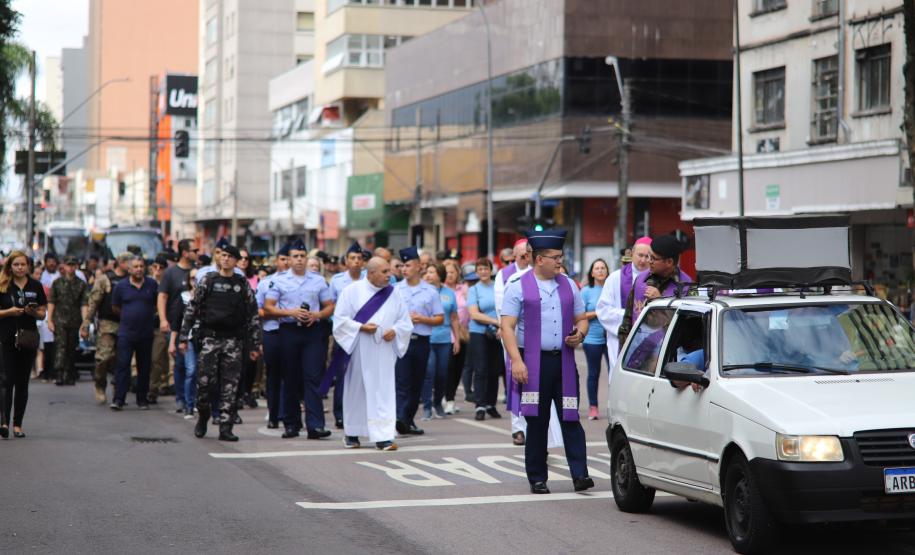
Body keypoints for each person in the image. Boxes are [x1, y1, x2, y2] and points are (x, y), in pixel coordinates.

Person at [501, 229, 593, 495]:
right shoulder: (517, 286)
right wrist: (516, 362)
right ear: (539, 259)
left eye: (560, 257)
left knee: (571, 418)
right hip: (532, 365)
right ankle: (538, 477)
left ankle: (580, 475)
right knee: (537, 421)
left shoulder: (569, 285)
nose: (559, 262)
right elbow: (506, 326)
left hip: (563, 364)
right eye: (555, 257)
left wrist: (581, 334)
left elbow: (582, 318)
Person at [179, 245, 261, 441]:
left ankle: (226, 427)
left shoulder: (241, 284)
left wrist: (255, 345)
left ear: (235, 261)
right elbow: (192, 309)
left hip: (233, 341)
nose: (225, 259)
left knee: (230, 387)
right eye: (223, 255)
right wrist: (183, 337)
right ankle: (204, 415)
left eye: (230, 257)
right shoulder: (208, 280)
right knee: (205, 385)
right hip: (210, 340)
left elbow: (252, 315)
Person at [333, 257, 413, 450]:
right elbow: (339, 320)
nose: (389, 275)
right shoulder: (351, 291)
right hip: (359, 348)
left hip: (384, 350)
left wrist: (395, 330)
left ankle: (383, 436)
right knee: (356, 391)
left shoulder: (394, 293)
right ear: (371, 273)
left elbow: (405, 321)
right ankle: (352, 433)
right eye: (385, 272)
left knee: (383, 391)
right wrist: (360, 327)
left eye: (389, 271)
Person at [264, 239, 335, 439]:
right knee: (290, 377)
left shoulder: (318, 280)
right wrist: (291, 312)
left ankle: (315, 425)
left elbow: (329, 305)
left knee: (313, 378)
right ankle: (291, 423)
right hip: (288, 330)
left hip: (312, 331)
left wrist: (317, 315)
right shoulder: (279, 280)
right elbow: (268, 307)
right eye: (295, 256)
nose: (299, 260)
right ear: (288, 259)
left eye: (302, 256)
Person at [393, 246, 444, 435]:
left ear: (417, 266)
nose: (404, 269)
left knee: (417, 382)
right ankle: (399, 418)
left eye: (407, 265)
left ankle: (408, 419)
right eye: (401, 266)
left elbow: (440, 318)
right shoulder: (395, 290)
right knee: (402, 381)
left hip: (421, 340)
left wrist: (422, 319)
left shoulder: (430, 291)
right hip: (402, 340)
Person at [0, 251, 47, 438]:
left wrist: (33, 313)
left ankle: (18, 425)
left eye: (23, 264)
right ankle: (4, 422)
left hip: (27, 338)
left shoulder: (36, 286)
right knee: (6, 380)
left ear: (28, 266)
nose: (19, 268)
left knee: (22, 383)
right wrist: (9, 312)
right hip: (6, 338)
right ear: (10, 266)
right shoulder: (3, 285)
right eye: (16, 264)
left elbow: (43, 313)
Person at [596, 237, 652, 385]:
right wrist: (631, 316)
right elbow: (603, 310)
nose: (643, 260)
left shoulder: (657, 279)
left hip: (650, 341)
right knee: (620, 383)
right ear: (632, 253)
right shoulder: (615, 278)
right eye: (640, 255)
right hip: (620, 341)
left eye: (648, 256)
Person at [494, 239, 535, 445]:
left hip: (535, 336)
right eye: (520, 255)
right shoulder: (505, 276)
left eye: (527, 254)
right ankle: (518, 427)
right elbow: (501, 307)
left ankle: (535, 425)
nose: (524, 258)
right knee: (516, 379)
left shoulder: (536, 272)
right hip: (514, 334)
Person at [619, 234, 693, 342]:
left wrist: (661, 302)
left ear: (669, 262)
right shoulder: (641, 279)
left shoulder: (686, 286)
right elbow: (627, 320)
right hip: (638, 353)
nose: (649, 261)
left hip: (668, 354)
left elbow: (687, 331)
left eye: (654, 258)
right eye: (649, 256)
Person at [81, 252, 131, 404]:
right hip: (107, 323)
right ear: (121, 262)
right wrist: (86, 323)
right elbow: (94, 302)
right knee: (104, 357)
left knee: (122, 360)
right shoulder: (105, 279)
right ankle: (100, 385)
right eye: (128, 262)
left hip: (127, 324)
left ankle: (119, 392)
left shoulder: (133, 280)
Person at [109, 256, 158, 410]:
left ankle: (142, 399)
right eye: (135, 266)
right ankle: (119, 399)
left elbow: (157, 304)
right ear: (129, 269)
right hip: (126, 333)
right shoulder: (121, 286)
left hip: (146, 333)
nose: (138, 269)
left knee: (144, 367)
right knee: (123, 366)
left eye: (141, 266)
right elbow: (115, 307)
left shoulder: (152, 284)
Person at [328, 241, 366, 428]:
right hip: (344, 334)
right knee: (342, 374)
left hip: (366, 333)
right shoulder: (337, 280)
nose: (356, 262)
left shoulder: (369, 278)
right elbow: (331, 306)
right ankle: (340, 414)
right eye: (353, 258)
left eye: (359, 258)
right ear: (346, 261)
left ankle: (360, 413)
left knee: (363, 374)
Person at [157, 239, 198, 413]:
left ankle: (192, 399)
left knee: (193, 367)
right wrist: (163, 319)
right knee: (180, 364)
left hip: (196, 328)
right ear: (184, 252)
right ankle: (181, 398)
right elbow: (163, 297)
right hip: (177, 325)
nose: (197, 252)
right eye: (194, 250)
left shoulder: (199, 271)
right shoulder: (171, 273)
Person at [256, 243, 290, 429]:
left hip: (291, 331)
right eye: (283, 259)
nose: (286, 263)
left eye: (288, 259)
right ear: (277, 261)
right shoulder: (266, 283)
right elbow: (258, 310)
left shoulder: (297, 282)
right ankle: (274, 414)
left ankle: (287, 413)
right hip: (272, 331)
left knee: (290, 375)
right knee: (273, 375)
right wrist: (278, 313)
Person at [467, 257, 504, 421]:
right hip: (479, 332)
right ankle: (480, 405)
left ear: (491, 270)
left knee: (494, 370)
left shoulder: (498, 287)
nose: (483, 272)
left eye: (486, 269)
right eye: (480, 269)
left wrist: (501, 327)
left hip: (497, 333)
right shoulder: (473, 290)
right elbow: (474, 314)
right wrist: (495, 322)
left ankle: (491, 404)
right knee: (481, 369)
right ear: (476, 272)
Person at [421, 262, 460, 420]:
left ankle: (438, 403)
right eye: (427, 272)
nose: (428, 274)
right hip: (427, 338)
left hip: (444, 339)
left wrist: (456, 339)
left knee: (442, 374)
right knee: (429, 372)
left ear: (440, 275)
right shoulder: (423, 292)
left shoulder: (449, 293)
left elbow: (454, 318)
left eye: (432, 272)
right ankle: (427, 407)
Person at [47, 257, 88, 386]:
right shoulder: (57, 283)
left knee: (71, 347)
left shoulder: (81, 284)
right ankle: (59, 373)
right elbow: (51, 302)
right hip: (59, 320)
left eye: (73, 265)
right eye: (68, 265)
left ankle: (68, 373)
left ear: (76, 266)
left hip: (75, 320)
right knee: (61, 345)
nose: (71, 267)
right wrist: (49, 320)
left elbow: (84, 304)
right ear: (64, 266)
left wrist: (84, 323)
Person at [581, 259, 610, 420]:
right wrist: (599, 313)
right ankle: (593, 407)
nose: (600, 271)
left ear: (607, 271)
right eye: (596, 268)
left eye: (603, 268)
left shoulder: (612, 288)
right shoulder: (586, 291)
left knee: (614, 372)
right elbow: (579, 315)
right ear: (592, 273)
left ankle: (614, 406)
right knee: (594, 373)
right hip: (592, 338)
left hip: (611, 336)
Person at [170, 268, 198, 418]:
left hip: (205, 338)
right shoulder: (184, 297)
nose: (195, 281)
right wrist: (174, 342)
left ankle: (200, 403)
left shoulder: (208, 296)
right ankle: (188, 404)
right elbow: (177, 321)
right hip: (189, 338)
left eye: (198, 278)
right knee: (190, 371)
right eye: (193, 278)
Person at [442, 260, 468, 415]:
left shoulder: (464, 289)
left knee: (458, 368)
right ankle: (447, 398)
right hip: (446, 333)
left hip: (462, 332)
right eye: (447, 272)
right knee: (447, 368)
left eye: (452, 272)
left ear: (458, 273)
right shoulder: (440, 290)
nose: (449, 275)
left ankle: (449, 398)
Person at [147, 254, 171, 404]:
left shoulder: (167, 284)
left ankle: (152, 390)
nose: (157, 270)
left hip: (159, 327)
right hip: (142, 326)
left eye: (161, 268)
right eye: (155, 267)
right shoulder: (145, 283)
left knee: (157, 360)